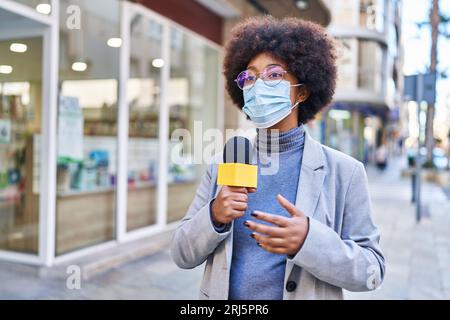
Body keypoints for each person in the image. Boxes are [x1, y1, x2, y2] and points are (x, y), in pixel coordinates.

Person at [171, 16, 385, 300]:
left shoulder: (346, 172)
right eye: (250, 76)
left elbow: (372, 271)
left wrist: (309, 241)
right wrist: (214, 216)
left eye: (274, 75)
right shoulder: (224, 163)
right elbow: (181, 253)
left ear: (304, 90)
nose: (258, 85)